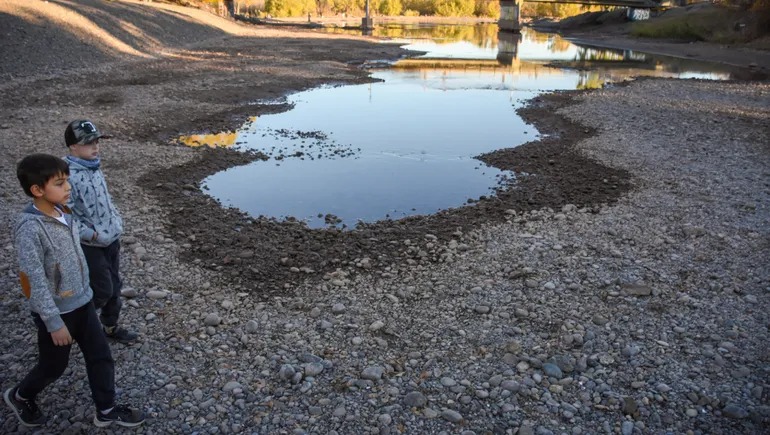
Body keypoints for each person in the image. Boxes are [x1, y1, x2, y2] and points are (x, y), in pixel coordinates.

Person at [6, 153, 145, 428]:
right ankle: (20, 395)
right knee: (54, 366)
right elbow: (32, 279)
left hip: (83, 303)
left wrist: (88, 292)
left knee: (101, 355)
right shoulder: (30, 229)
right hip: (58, 313)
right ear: (37, 190)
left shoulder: (64, 213)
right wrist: (53, 322)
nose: (68, 187)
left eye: (67, 181)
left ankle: (106, 409)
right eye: (60, 183)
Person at [64, 119, 138, 344]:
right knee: (102, 290)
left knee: (115, 288)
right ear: (72, 147)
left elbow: (105, 199)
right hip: (90, 244)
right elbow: (66, 215)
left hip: (111, 238)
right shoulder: (66, 177)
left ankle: (110, 327)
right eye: (88, 143)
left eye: (96, 141)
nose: (95, 147)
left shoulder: (95, 167)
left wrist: (116, 221)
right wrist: (90, 234)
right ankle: (71, 322)